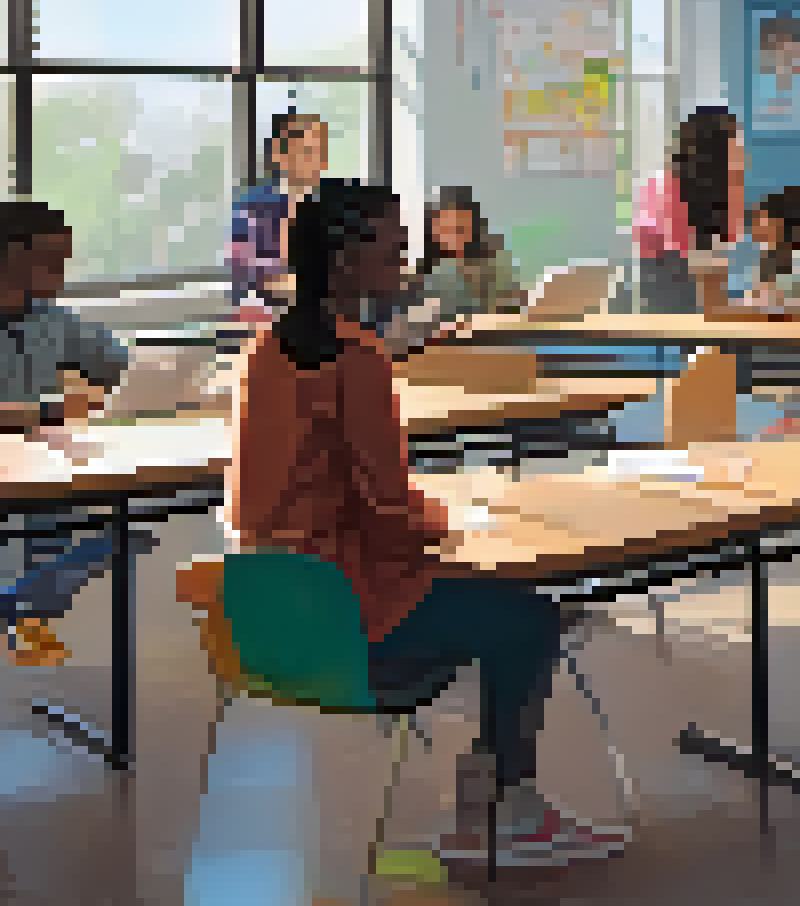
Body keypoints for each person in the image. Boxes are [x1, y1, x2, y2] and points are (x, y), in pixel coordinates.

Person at [224, 180, 628, 867]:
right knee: (530, 617)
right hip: (347, 614)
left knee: (506, 610)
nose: (403, 262)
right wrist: (445, 521)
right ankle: (506, 808)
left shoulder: (262, 355)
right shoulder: (356, 359)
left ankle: (489, 793)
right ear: (346, 259)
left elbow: (261, 502)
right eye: (392, 248)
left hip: (272, 609)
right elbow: (388, 509)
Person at [0, 201, 151, 666]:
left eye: (64, 261)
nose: (60, 273)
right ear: (12, 255)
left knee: (134, 532)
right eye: (51, 260)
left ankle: (19, 615)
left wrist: (106, 380)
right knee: (110, 537)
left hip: (47, 470)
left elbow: (117, 359)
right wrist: (40, 410)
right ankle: (10, 613)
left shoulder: (52, 318)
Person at [630, 112, 749, 314]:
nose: (742, 153)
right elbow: (705, 270)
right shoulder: (668, 190)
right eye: (735, 143)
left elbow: (725, 254)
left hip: (687, 293)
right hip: (670, 298)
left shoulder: (719, 190)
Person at [229, 112, 329, 328]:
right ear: (279, 153)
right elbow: (249, 275)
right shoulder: (253, 206)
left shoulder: (335, 203)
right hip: (267, 322)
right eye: (308, 150)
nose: (321, 162)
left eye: (322, 150)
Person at [412, 186, 524, 341]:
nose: (452, 236)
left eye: (460, 229)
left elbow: (507, 314)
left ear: (474, 227)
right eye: (445, 228)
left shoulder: (493, 260)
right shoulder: (424, 268)